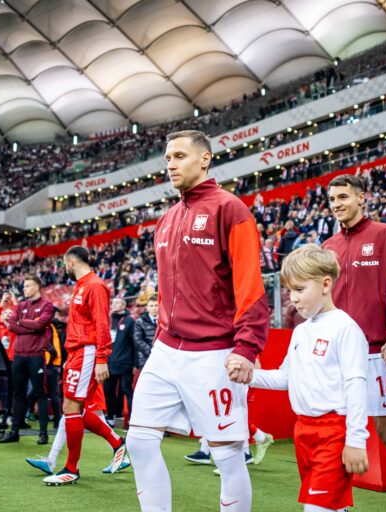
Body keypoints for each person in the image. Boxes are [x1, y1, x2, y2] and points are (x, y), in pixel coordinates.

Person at [128, 130, 269, 512]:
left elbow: (250, 285)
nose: (170, 164)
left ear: (205, 159)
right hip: (165, 349)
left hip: (214, 352)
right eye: (167, 158)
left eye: (179, 156)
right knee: (138, 442)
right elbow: (167, 291)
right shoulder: (167, 219)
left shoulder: (231, 209)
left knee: (227, 456)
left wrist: (247, 347)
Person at [244, 245, 368, 511]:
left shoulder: (345, 328)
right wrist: (248, 376)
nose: (293, 299)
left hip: (334, 432)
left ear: (326, 284)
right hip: (303, 431)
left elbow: (356, 386)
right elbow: (285, 378)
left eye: (300, 289)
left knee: (316, 507)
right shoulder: (301, 331)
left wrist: (356, 441)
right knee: (330, 506)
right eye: (290, 291)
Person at [321, 175, 386, 474]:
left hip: (378, 352)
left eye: (343, 197)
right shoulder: (328, 246)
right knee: (334, 433)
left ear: (361, 198)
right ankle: (334, 498)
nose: (337, 204)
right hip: (338, 353)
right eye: (332, 199)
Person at [43, 245, 128, 485]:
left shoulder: (95, 285)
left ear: (71, 262)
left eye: (64, 264)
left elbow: (102, 324)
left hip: (87, 352)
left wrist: (101, 358)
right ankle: (117, 443)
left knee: (71, 406)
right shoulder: (81, 286)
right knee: (74, 407)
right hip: (76, 352)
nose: (64, 269)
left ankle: (72, 468)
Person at [0, 275, 55, 445]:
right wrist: (31, 325)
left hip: (36, 356)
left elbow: (40, 325)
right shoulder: (20, 305)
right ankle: (14, 432)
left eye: (28, 286)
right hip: (19, 356)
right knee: (18, 394)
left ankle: (43, 433)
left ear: (37, 287)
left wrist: (21, 322)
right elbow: (12, 325)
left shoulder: (47, 305)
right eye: (24, 286)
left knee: (40, 394)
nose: (24, 289)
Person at [105, 297, 135, 427]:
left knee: (126, 390)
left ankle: (132, 420)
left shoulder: (129, 321)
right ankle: (110, 417)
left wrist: (134, 363)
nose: (114, 305)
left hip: (125, 363)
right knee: (108, 391)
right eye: (113, 303)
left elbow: (134, 343)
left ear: (124, 306)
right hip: (109, 363)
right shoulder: (108, 320)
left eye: (117, 303)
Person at [133, 295, 158, 375]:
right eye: (151, 306)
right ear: (147, 307)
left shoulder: (165, 321)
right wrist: (152, 351)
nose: (154, 308)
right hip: (145, 359)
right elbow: (137, 340)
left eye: (156, 305)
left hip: (162, 356)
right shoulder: (140, 321)